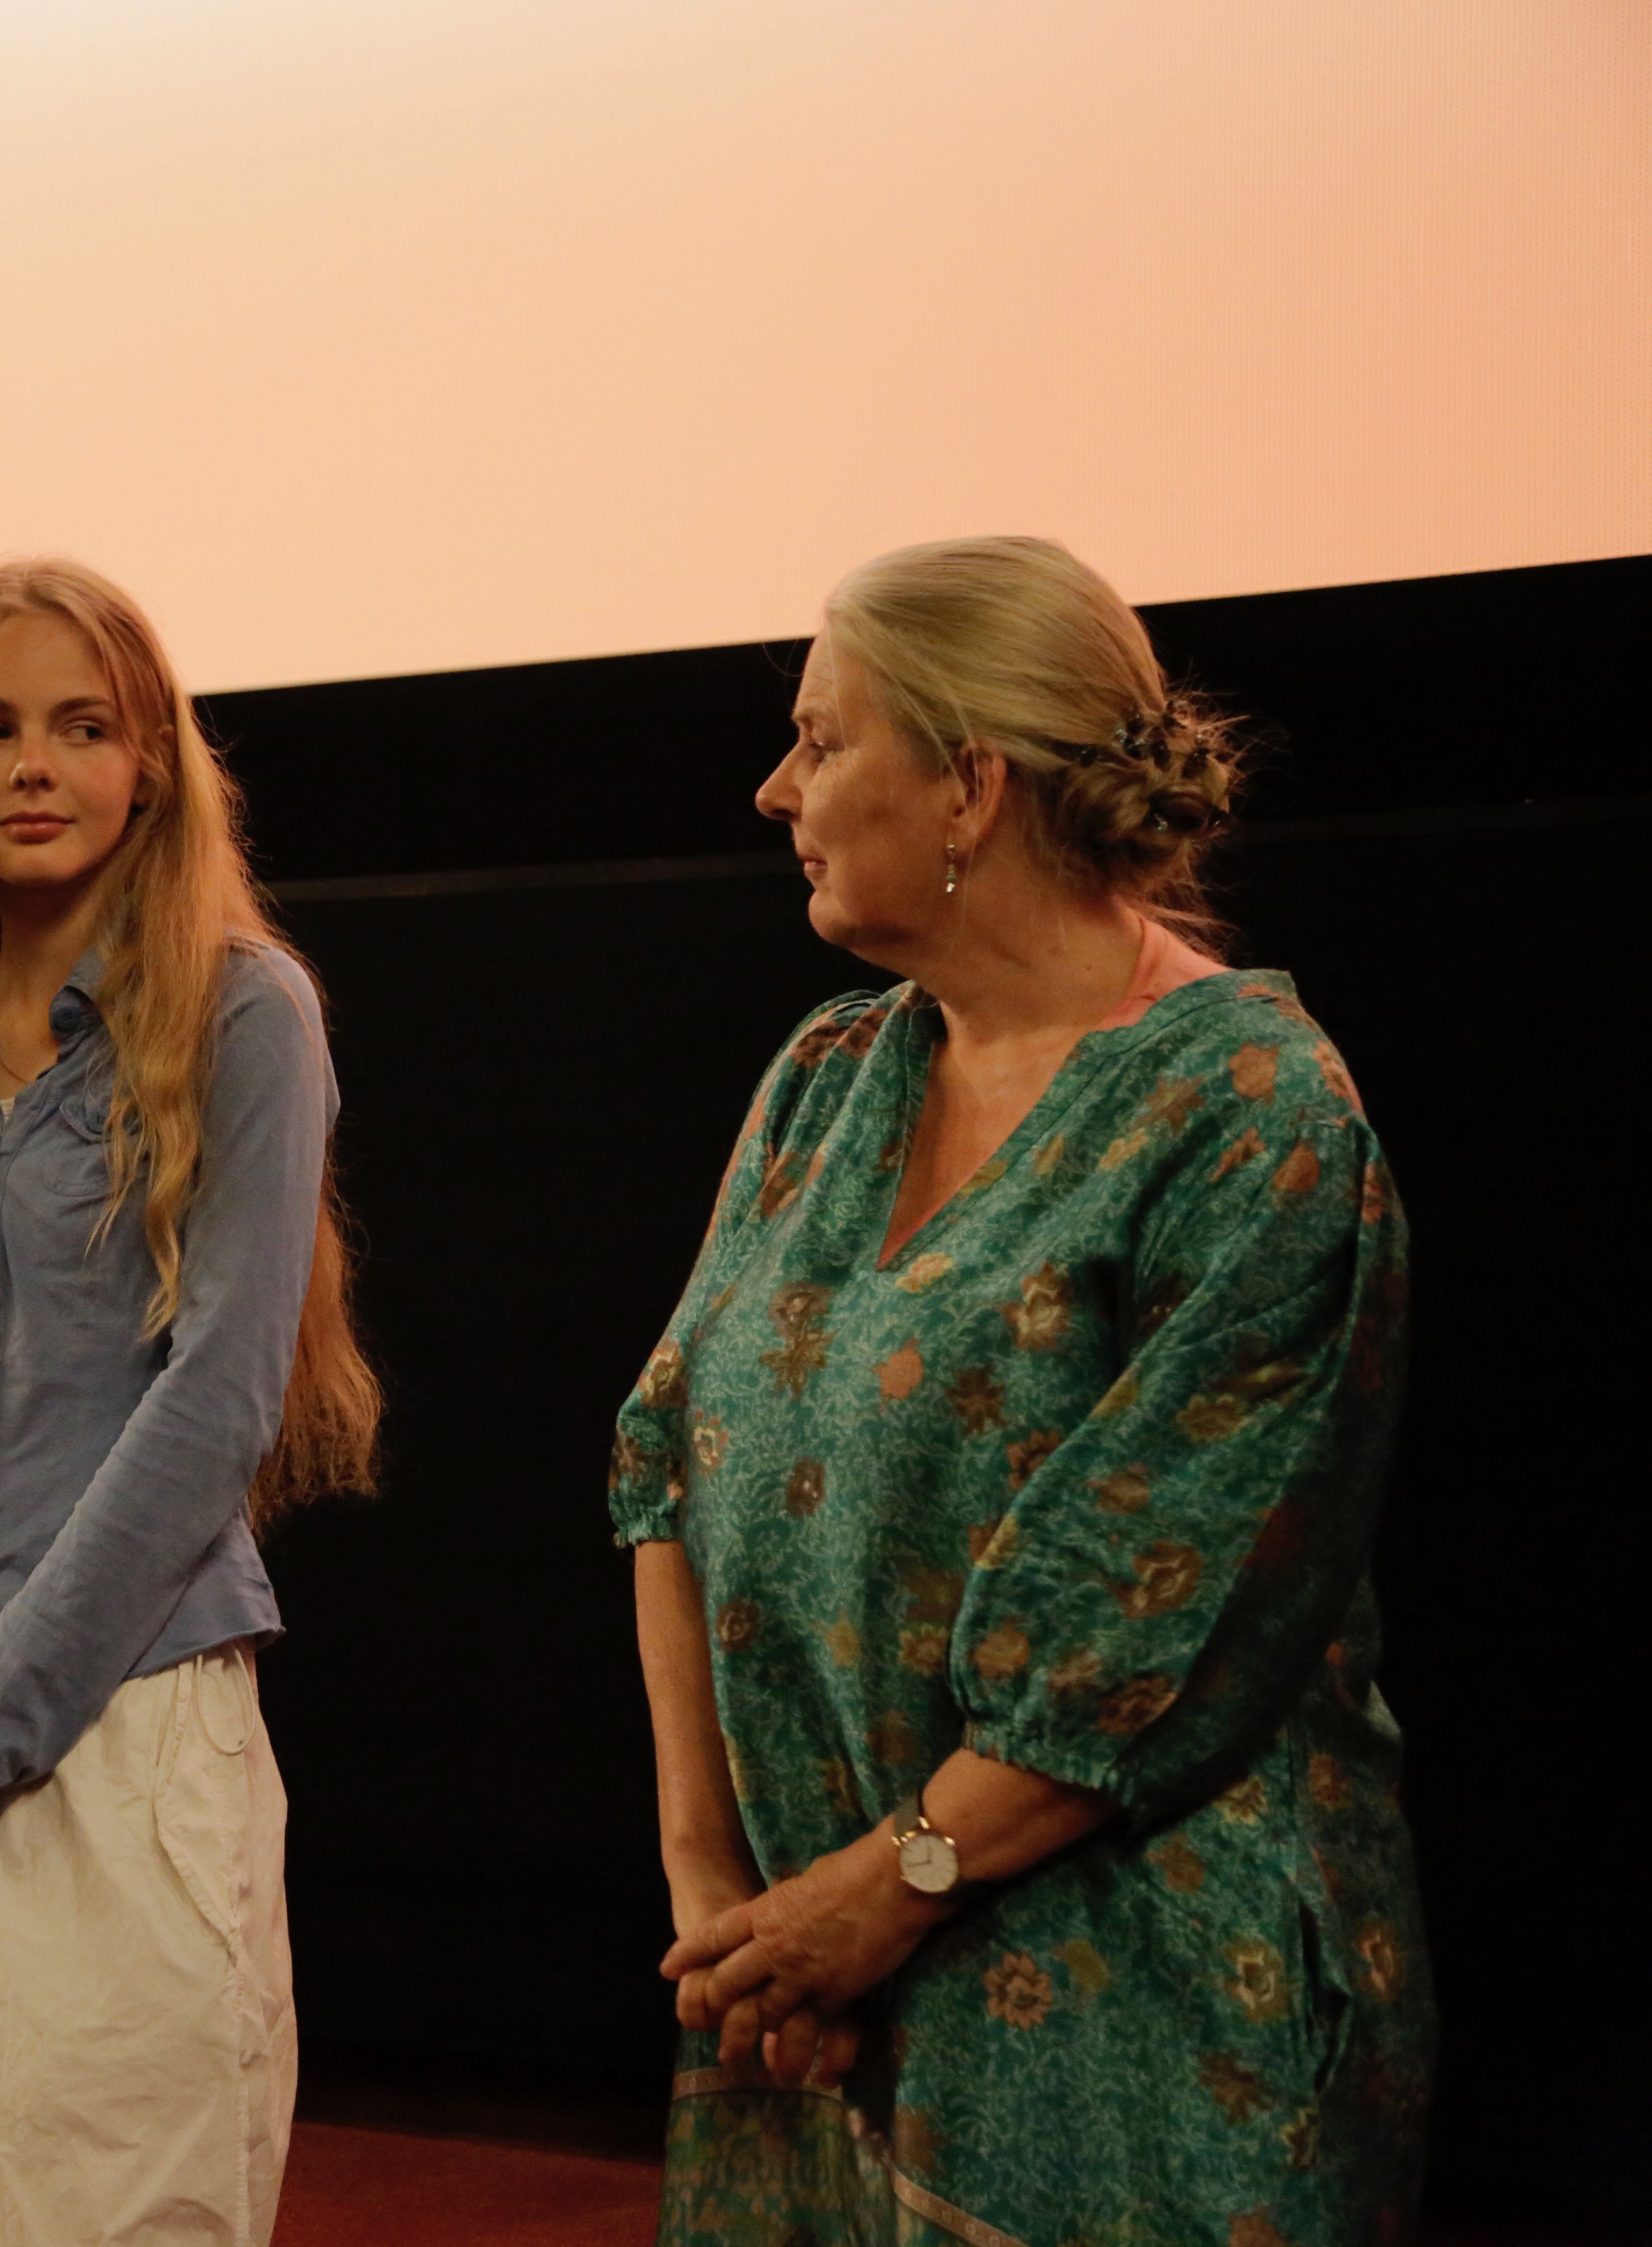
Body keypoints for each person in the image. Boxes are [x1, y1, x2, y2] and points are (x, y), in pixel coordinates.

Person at [612, 536, 1431, 2242]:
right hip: (816, 1990)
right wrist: (718, 1895)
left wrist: (887, 1886)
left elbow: (1151, 1632)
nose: (777, 790)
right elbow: (665, 1460)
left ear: (971, 784)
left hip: (1151, 2025)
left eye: (823, 739)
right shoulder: (827, 1078)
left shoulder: (1254, 1114)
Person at [0, 558, 380, 2247]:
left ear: (151, 764)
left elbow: (214, 1410)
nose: (35, 765)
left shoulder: (245, 1010)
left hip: (114, 1741)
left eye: (83, 726)